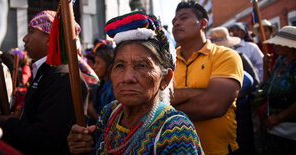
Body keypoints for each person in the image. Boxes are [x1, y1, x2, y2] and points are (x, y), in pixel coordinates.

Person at [67, 11, 204, 154]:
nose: (127, 78)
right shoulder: (110, 112)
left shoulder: (176, 130)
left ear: (165, 79)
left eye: (142, 66)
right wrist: (83, 146)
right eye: (120, 65)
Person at [0, 10, 88, 155]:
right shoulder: (47, 71)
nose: (25, 39)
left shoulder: (62, 77)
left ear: (49, 39)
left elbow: (45, 138)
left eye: (31, 32)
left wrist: (7, 123)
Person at [171, 1, 243, 154]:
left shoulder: (226, 56)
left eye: (183, 18)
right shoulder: (167, 62)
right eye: (174, 20)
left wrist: (163, 112)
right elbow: (155, 98)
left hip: (218, 150)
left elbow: (213, 105)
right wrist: (200, 93)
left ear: (203, 23)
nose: (176, 23)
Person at [209, 26, 256, 154]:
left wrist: (232, 95)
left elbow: (253, 82)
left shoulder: (239, 57)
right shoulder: (210, 62)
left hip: (241, 112)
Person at [261, 26, 296, 154]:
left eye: (280, 42)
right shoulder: (280, 61)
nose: (275, 45)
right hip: (273, 127)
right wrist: (265, 67)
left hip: (290, 129)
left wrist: (279, 118)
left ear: (291, 46)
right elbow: (267, 87)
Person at [85, 40, 116, 123]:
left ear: (109, 65)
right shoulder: (100, 84)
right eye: (95, 62)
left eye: (98, 63)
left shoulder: (115, 89)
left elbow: (110, 123)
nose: (94, 66)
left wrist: (92, 112)